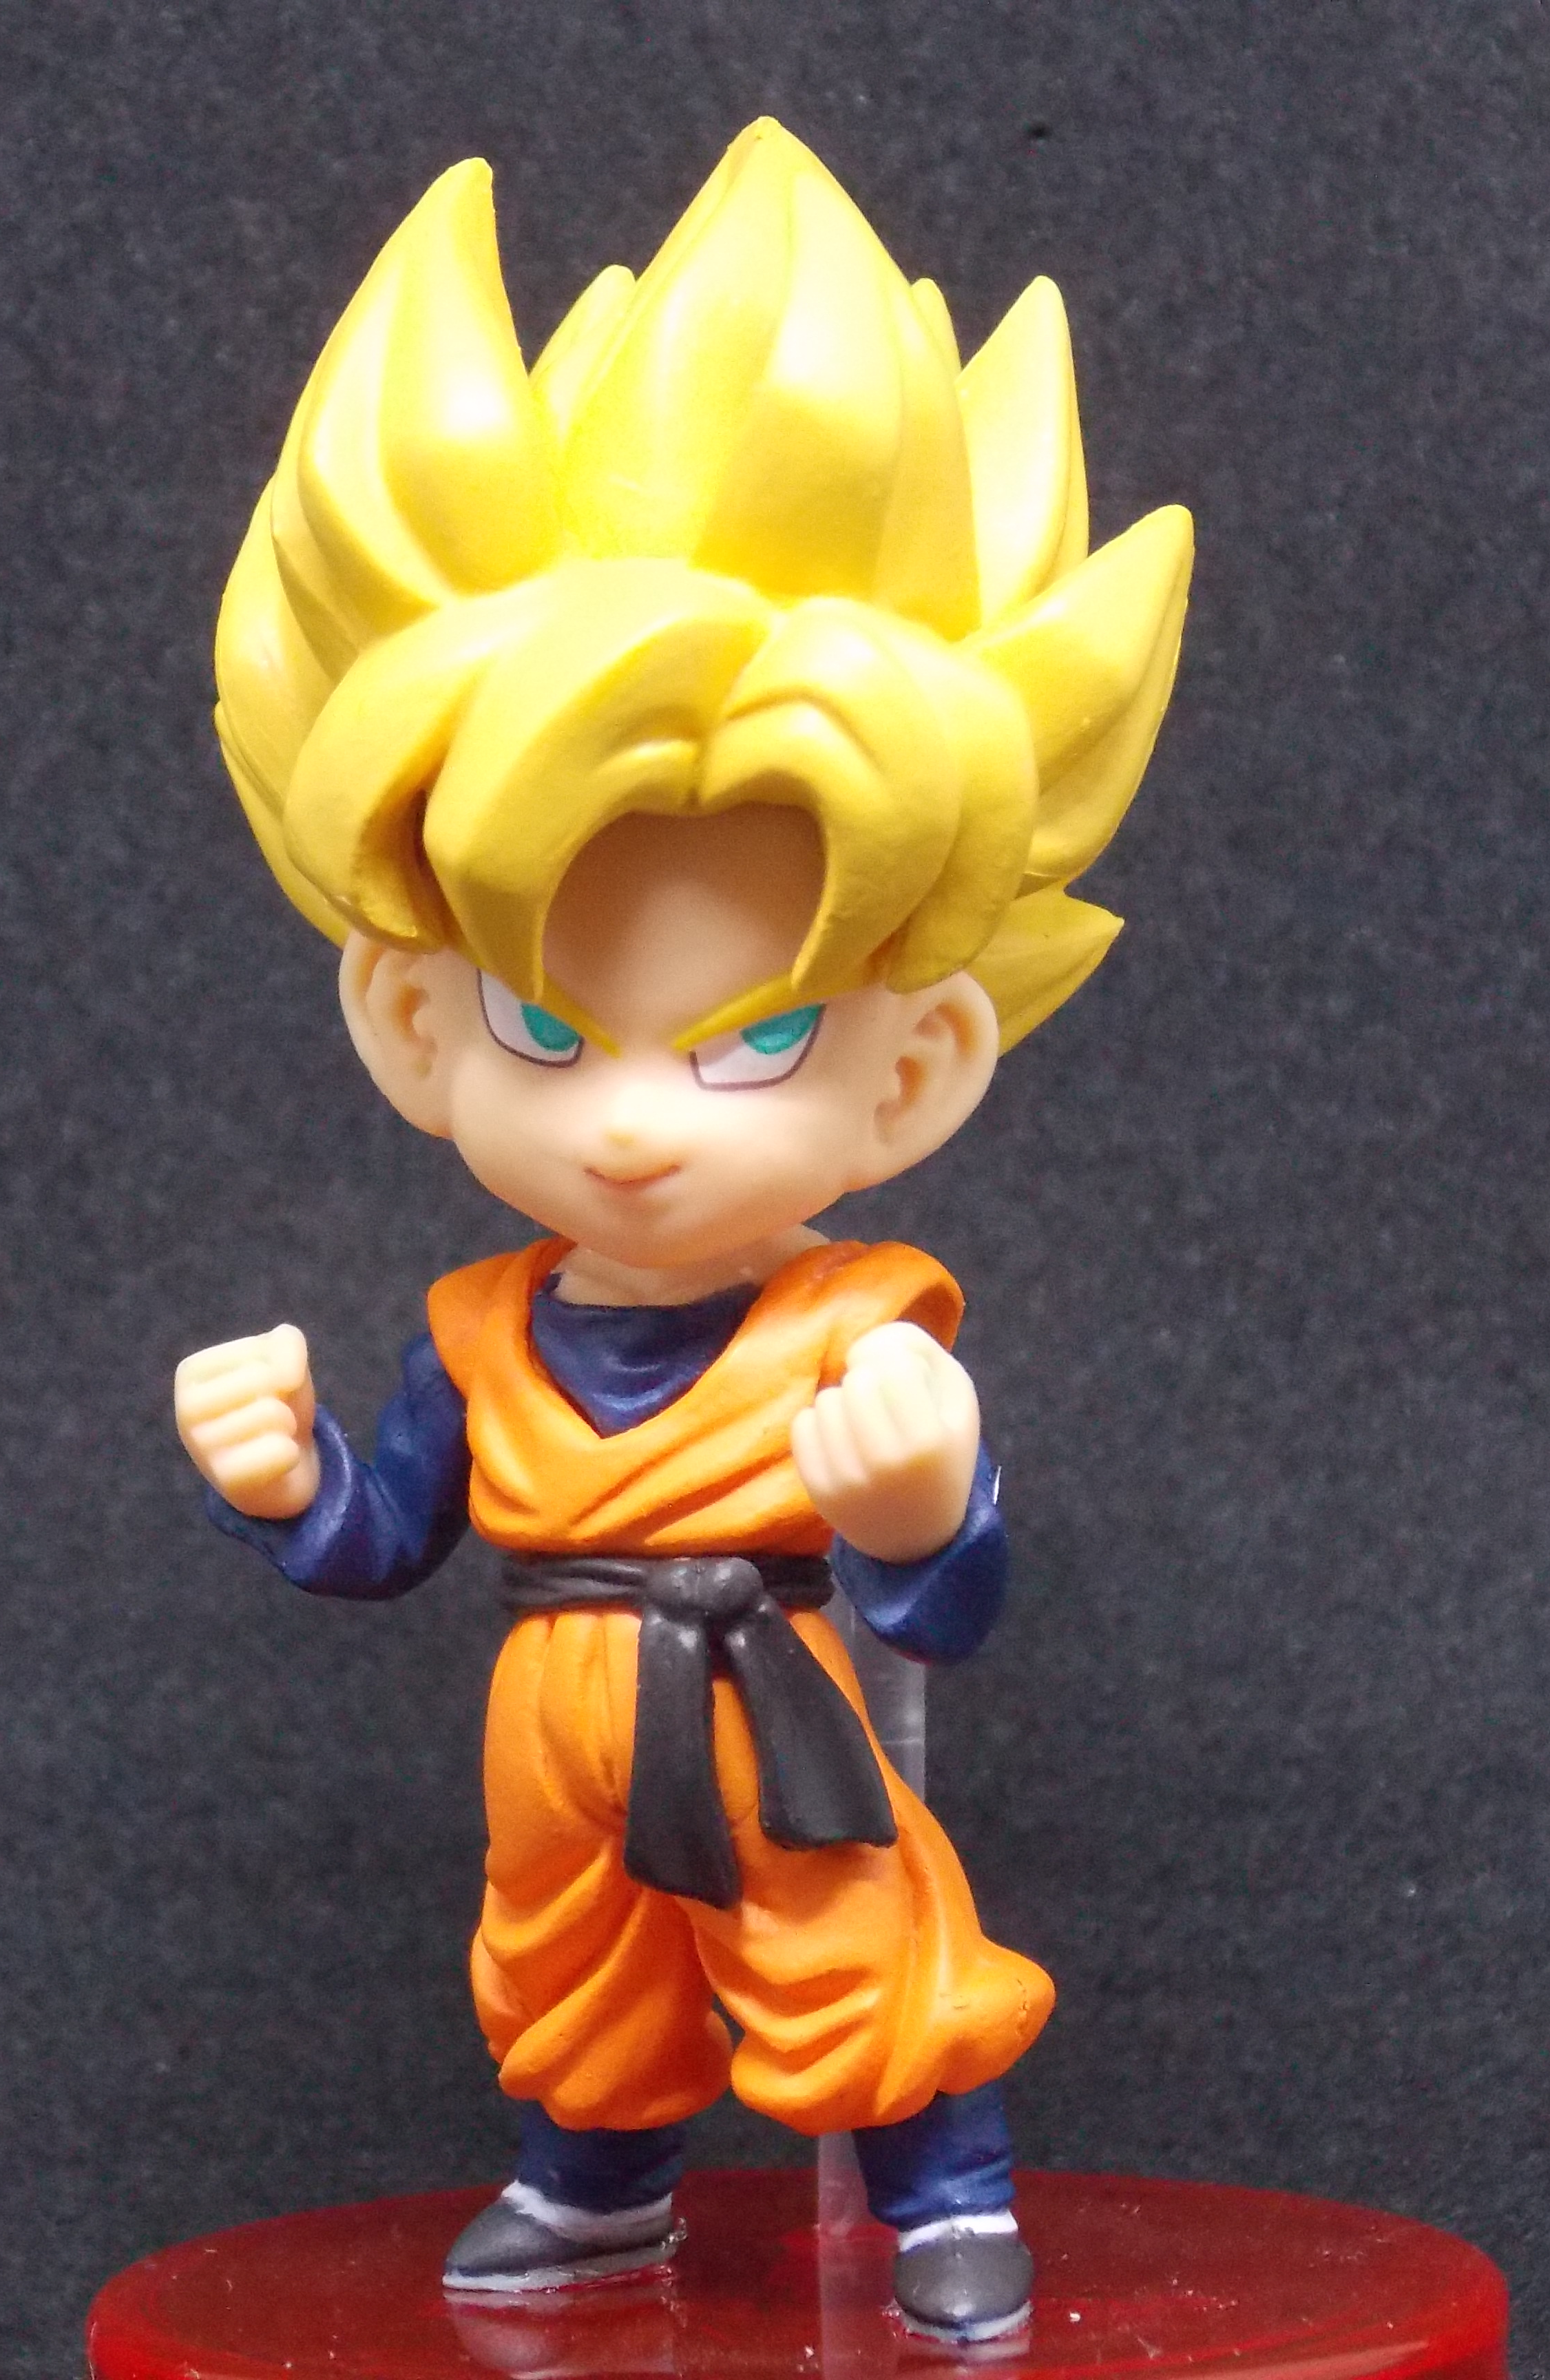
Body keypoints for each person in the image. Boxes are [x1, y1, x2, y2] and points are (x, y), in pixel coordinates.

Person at [172, 118, 1193, 2346]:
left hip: (770, 1686)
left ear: (914, 1070)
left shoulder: (855, 1321)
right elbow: (389, 1538)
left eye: (754, 1042)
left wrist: (920, 1505)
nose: (635, 1121)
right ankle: (592, 2193)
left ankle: (942, 2202)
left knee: (856, 1949)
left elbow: (955, 1601)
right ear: (413, 1020)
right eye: (546, 1027)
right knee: (574, 1976)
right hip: (555, 1710)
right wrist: (288, 1480)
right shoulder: (482, 1323)